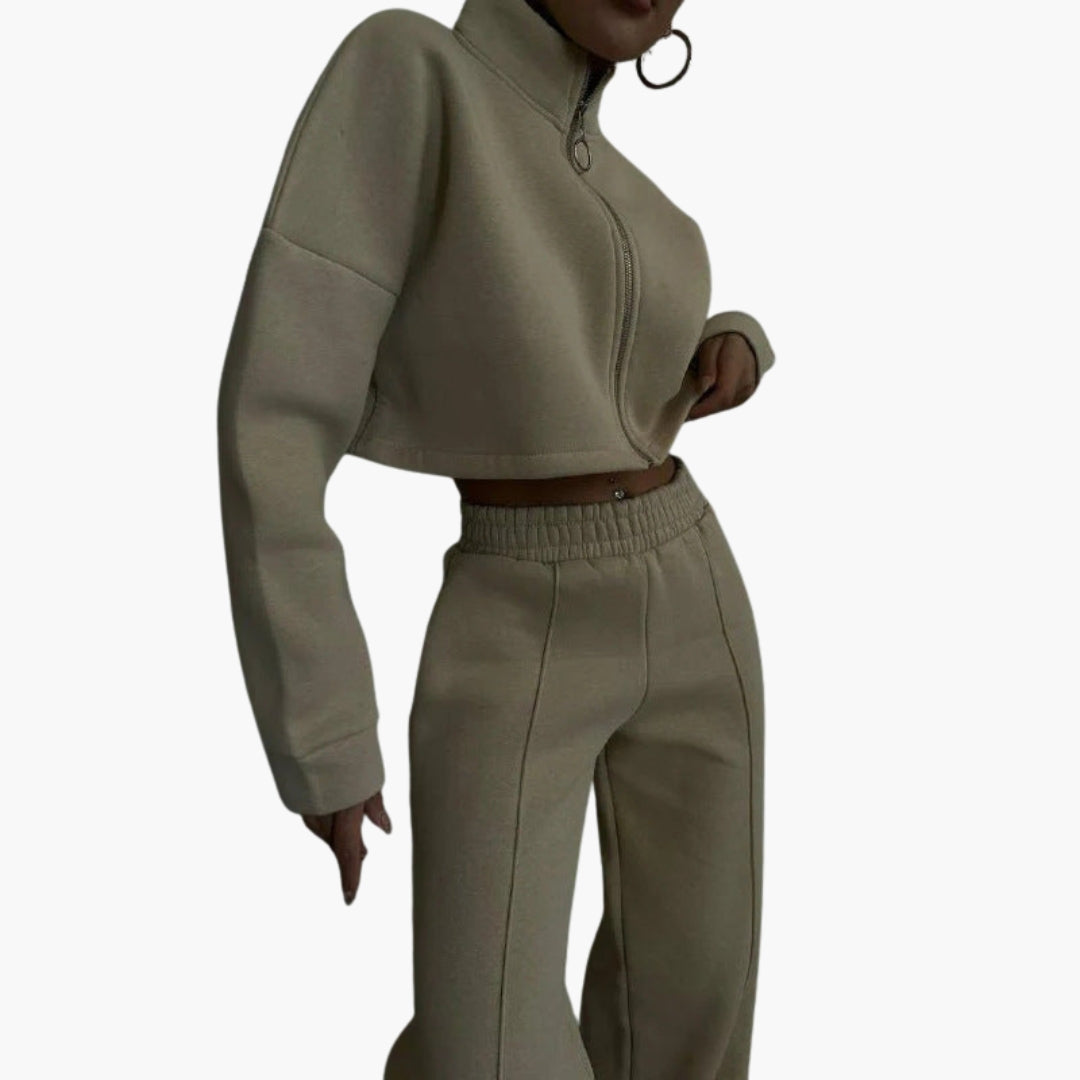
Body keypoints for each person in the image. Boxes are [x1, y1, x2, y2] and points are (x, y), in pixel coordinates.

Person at [216, 0, 775, 1075]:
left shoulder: (609, 175)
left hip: (695, 586)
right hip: (518, 613)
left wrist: (730, 341)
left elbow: (583, 360)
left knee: (695, 1022)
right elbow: (272, 423)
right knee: (485, 1049)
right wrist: (325, 730)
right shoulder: (413, 74)